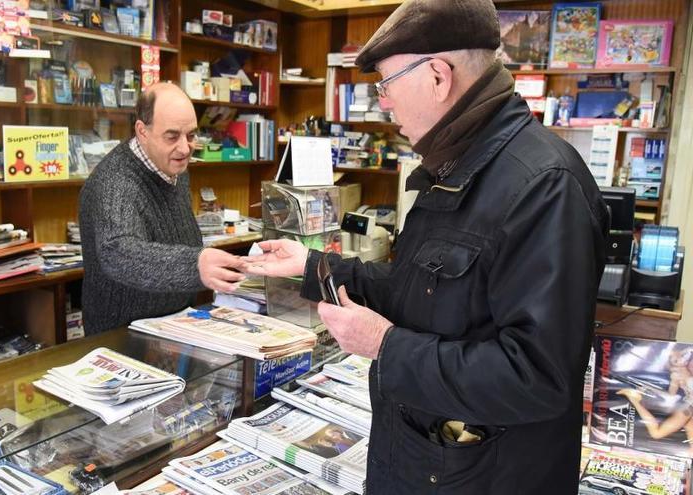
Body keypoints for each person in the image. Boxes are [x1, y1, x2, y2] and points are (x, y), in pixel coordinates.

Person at [243, 0, 609, 493]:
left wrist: (384, 346)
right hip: (426, 461)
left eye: (387, 84)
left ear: (437, 76)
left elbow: (537, 378)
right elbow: (418, 291)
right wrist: (311, 264)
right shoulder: (457, 166)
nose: (385, 103)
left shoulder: (543, 185)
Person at [79, 82, 244, 335]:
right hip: (123, 334)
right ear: (142, 131)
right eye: (172, 136)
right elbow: (118, 253)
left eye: (191, 135)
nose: (184, 148)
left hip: (176, 324)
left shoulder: (172, 165)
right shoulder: (114, 182)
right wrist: (195, 265)